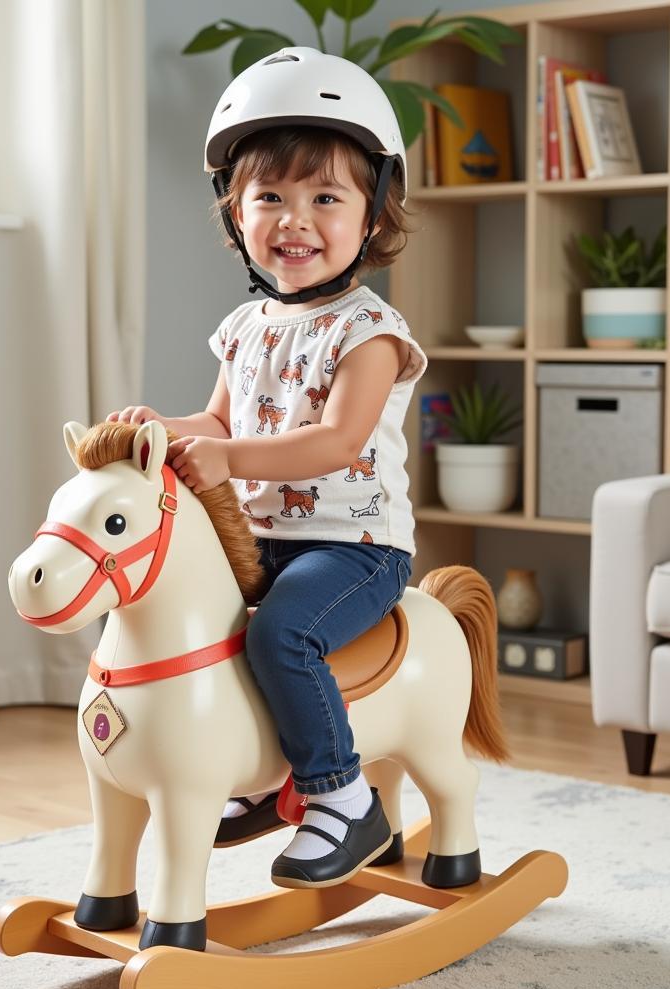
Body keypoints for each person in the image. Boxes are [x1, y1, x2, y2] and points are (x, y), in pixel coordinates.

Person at [107, 48, 427, 888]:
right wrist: (160, 425)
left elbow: (335, 442)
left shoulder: (372, 333)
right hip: (262, 538)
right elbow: (217, 421)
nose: (295, 219)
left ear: (373, 214)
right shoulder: (247, 326)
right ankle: (249, 769)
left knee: (284, 632)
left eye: (326, 197)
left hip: (354, 547)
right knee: (195, 626)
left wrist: (225, 454)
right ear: (237, 215)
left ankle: (342, 796)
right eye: (270, 198)